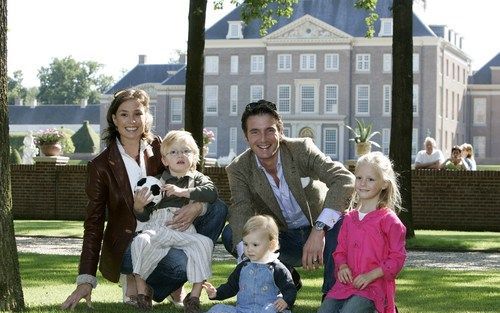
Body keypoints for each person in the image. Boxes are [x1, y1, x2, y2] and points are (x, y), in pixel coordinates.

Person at [61, 89, 227, 310]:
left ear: (146, 117)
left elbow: (190, 175)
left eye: (138, 114)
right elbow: (94, 223)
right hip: (129, 243)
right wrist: (85, 279)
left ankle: (154, 283)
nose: (132, 121)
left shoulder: (160, 148)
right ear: (114, 119)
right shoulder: (100, 166)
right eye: (124, 114)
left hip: (169, 227)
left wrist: (198, 205)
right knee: (179, 265)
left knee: (217, 208)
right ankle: (144, 280)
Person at [222, 99, 355, 297]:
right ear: (246, 136)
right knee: (231, 234)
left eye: (269, 130)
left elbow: (344, 179)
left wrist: (319, 230)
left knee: (343, 222)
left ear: (280, 130)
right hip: (282, 239)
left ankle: (332, 295)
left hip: (321, 234)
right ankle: (285, 276)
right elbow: (241, 209)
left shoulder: (301, 149)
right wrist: (247, 263)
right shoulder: (238, 168)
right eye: (255, 132)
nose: (263, 139)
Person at [129, 130, 217, 312]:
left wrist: (183, 192)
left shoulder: (198, 179)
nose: (180, 155)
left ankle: (193, 298)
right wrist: (138, 206)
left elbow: (212, 192)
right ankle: (142, 292)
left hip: (184, 227)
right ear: (164, 160)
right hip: (160, 225)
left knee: (204, 244)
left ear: (195, 157)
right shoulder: (156, 182)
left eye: (186, 151)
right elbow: (145, 216)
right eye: (174, 152)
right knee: (141, 241)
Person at [318, 152, 406, 313]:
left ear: (384, 184)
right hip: (346, 285)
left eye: (370, 179)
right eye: (359, 178)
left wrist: (371, 275)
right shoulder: (349, 218)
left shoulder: (389, 221)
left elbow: (397, 259)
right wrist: (342, 266)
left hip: (374, 287)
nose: (363, 183)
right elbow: (340, 251)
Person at [203, 215, 297, 313]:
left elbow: (290, 288)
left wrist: (285, 300)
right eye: (245, 244)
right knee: (218, 309)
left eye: (255, 245)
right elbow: (231, 287)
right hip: (243, 310)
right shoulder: (243, 267)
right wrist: (217, 293)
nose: (249, 249)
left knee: (270, 310)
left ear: (271, 244)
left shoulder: (277, 268)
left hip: (266, 309)